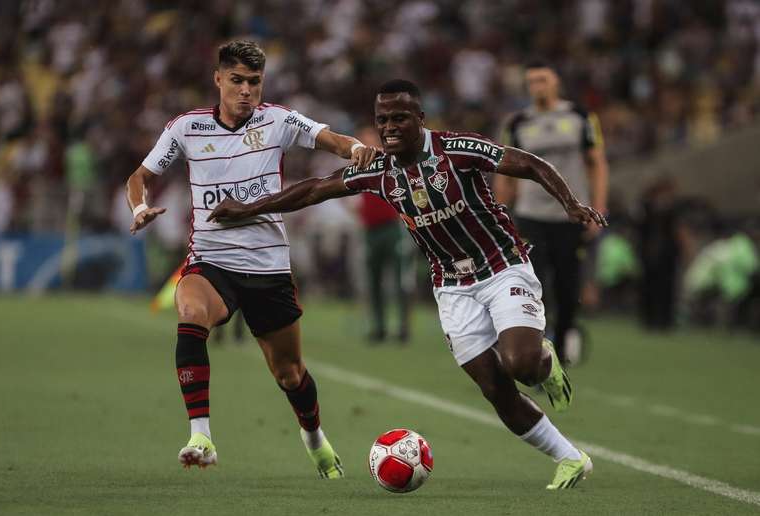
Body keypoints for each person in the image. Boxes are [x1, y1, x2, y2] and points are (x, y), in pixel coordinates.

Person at [208, 80, 607, 489]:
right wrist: (248, 209)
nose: (390, 127)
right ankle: (571, 458)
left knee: (521, 364)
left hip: (502, 267)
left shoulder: (456, 148)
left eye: (399, 118)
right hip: (451, 287)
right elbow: (314, 190)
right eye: (382, 120)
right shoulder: (378, 169)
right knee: (494, 387)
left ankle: (545, 359)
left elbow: (531, 164)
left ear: (420, 119)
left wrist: (571, 202)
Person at [126, 40, 377, 476]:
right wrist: (139, 207)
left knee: (289, 374)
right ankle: (200, 435)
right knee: (190, 312)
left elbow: (332, 139)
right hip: (211, 259)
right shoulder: (187, 128)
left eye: (254, 82)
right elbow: (140, 176)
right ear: (218, 79)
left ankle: (313, 435)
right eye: (237, 80)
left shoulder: (278, 121)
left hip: (268, 267)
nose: (246, 90)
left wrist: (355, 149)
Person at [494, 61, 609, 363]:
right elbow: (503, 171)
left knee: (568, 284)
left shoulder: (580, 117)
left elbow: (596, 162)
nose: (537, 87)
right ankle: (537, 346)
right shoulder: (517, 123)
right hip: (530, 214)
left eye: (543, 80)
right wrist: (499, 211)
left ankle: (566, 335)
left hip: (569, 215)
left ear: (556, 82)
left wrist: (598, 206)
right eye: (531, 82)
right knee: (532, 283)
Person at [356, 126, 413, 343]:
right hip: (370, 230)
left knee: (400, 280)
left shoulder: (390, 160)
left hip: (392, 227)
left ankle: (403, 327)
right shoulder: (358, 164)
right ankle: (379, 327)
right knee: (374, 280)